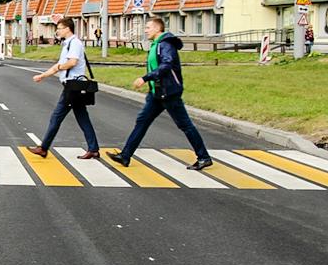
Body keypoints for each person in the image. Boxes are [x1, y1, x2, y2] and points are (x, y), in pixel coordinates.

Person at [109, 17, 211, 171]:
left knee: (185, 125)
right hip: (156, 93)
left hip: (169, 92)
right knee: (142, 121)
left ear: (157, 29)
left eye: (148, 27)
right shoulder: (156, 45)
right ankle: (125, 156)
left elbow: (166, 65)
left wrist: (145, 78)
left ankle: (204, 157)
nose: (145, 30)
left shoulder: (165, 44)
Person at [28, 18, 100, 160]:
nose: (57, 31)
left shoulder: (74, 43)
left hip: (73, 87)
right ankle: (93, 149)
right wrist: (42, 76)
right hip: (72, 86)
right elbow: (58, 66)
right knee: (82, 118)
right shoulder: (68, 44)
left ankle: (43, 148)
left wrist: (60, 67)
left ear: (67, 29)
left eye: (59, 28)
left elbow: (72, 62)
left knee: (56, 117)